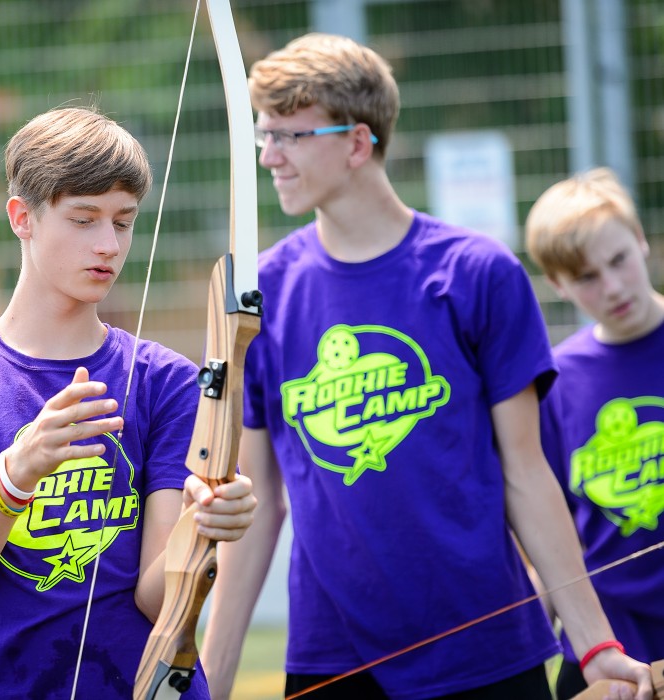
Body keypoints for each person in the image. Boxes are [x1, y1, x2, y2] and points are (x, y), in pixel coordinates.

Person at [198, 33, 653, 700]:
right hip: (334, 658)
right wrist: (209, 679)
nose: (269, 156)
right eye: (264, 136)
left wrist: (596, 646)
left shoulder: (475, 272)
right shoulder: (262, 293)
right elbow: (258, 504)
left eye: (289, 137)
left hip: (490, 652)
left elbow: (527, 474)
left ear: (358, 143)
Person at [0, 105, 257, 699]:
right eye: (84, 219)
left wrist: (201, 529)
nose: (109, 244)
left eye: (124, 221)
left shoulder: (166, 379)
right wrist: (13, 478)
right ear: (22, 217)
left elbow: (157, 598)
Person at [525, 168, 664, 698]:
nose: (612, 286)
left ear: (641, 241)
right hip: (605, 649)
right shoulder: (554, 383)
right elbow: (545, 530)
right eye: (586, 277)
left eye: (619, 260)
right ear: (558, 284)